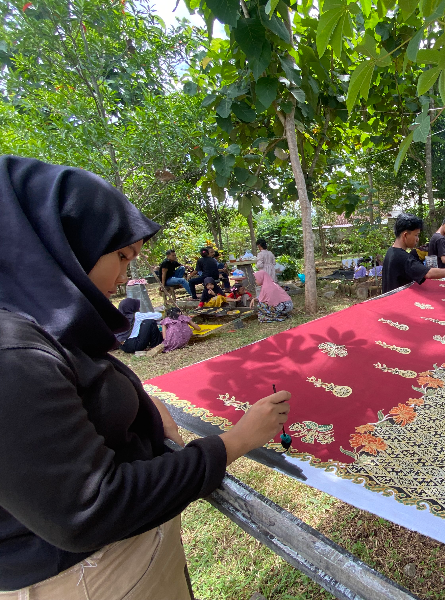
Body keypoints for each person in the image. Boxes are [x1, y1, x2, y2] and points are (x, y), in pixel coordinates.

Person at [0, 156, 290, 598]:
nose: (122, 278)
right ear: (62, 242)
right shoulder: (12, 354)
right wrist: (236, 440)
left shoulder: (40, 324)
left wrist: (147, 411)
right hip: (89, 578)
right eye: (120, 256)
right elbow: (89, 510)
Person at [382, 213, 445, 294]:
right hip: (399, 300)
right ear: (405, 235)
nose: (417, 239)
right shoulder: (403, 258)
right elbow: (428, 273)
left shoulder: (390, 251)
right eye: (416, 235)